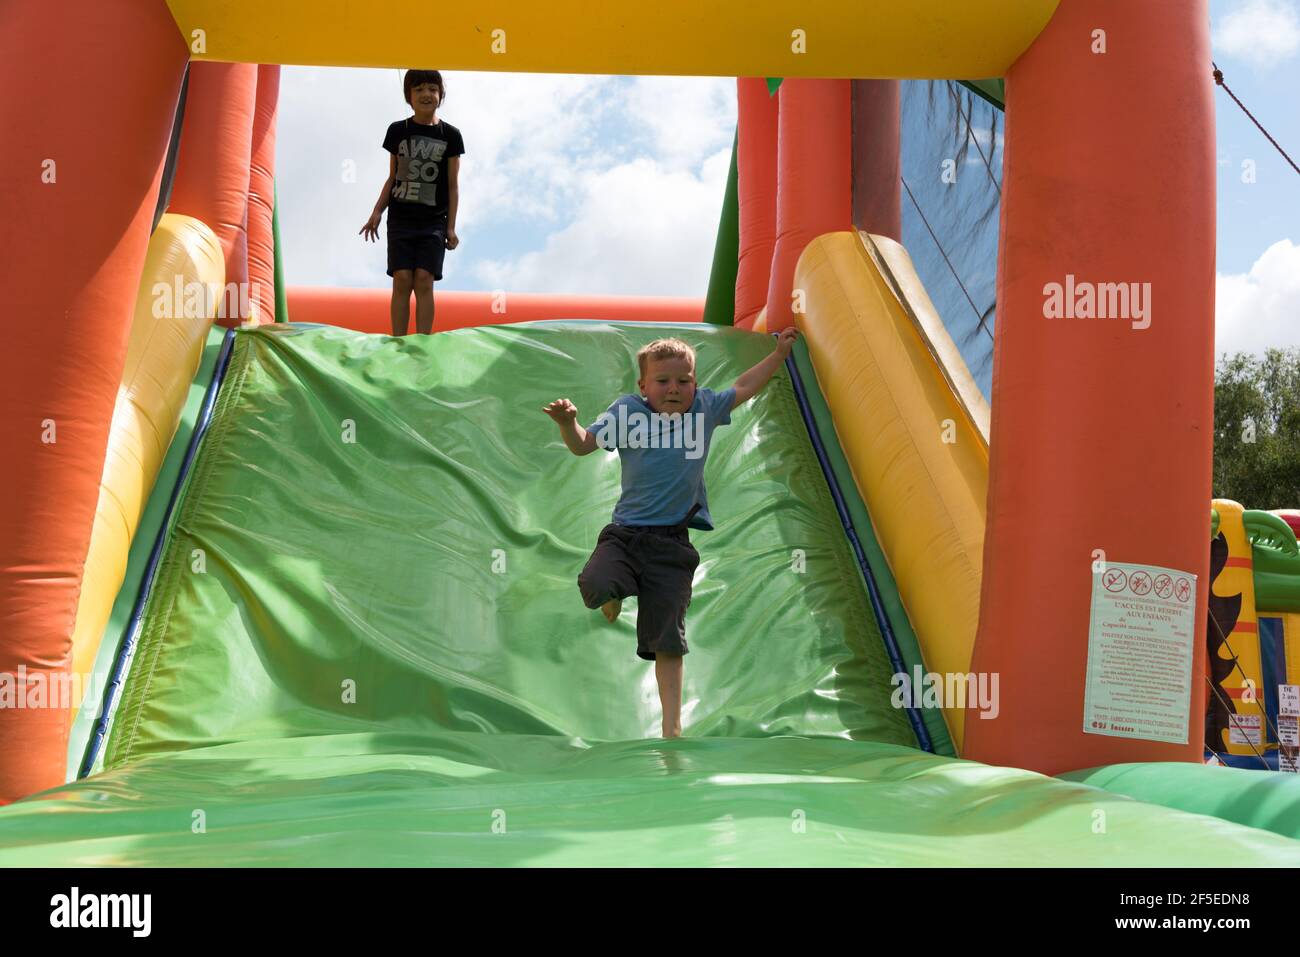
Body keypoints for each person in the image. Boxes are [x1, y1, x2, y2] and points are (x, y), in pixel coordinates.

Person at [542, 328, 800, 738]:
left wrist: (780, 354)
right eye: (663, 381)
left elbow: (744, 385)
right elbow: (583, 446)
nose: (675, 389)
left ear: (695, 383)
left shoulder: (705, 409)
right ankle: (613, 596)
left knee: (668, 641)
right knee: (594, 585)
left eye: (684, 380)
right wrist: (567, 422)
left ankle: (672, 727)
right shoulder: (627, 412)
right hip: (625, 535)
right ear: (643, 385)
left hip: (673, 545)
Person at [360, 69, 464, 336]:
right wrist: (376, 211)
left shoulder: (450, 135)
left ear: (441, 95)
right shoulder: (398, 131)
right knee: (403, 279)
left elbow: (452, 186)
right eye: (418, 90)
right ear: (409, 97)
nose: (426, 94)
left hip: (433, 221)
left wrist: (450, 227)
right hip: (401, 218)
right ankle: (398, 340)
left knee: (424, 279)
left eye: (432, 88)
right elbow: (393, 176)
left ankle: (424, 341)